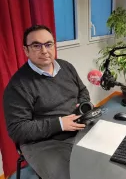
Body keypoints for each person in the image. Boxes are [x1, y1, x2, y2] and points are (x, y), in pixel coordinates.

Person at [3, 25, 90, 179]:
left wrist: (82, 105)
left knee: (104, 160)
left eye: (48, 44)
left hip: (78, 127)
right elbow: (17, 129)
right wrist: (60, 124)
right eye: (36, 45)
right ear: (26, 50)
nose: (44, 50)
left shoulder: (66, 67)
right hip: (43, 142)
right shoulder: (18, 85)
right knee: (73, 175)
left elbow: (82, 91)